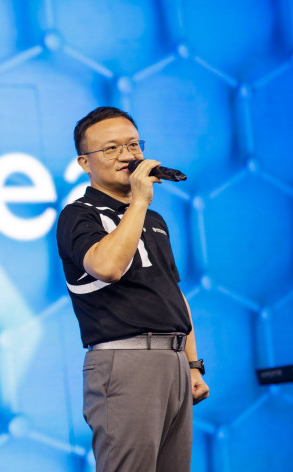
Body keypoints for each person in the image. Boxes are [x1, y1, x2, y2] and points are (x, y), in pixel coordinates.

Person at [55, 107, 209, 472]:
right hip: (125, 362)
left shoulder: (153, 220)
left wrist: (192, 365)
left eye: (133, 145)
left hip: (173, 361)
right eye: (111, 148)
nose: (127, 155)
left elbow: (173, 293)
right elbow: (107, 267)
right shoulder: (79, 215)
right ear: (84, 163)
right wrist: (138, 201)